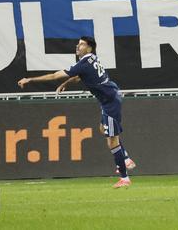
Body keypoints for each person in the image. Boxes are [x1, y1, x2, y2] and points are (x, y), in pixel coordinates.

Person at [18, 36, 135, 188]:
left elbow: (55, 75)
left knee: (112, 140)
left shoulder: (85, 63)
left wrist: (30, 80)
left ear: (90, 48)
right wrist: (66, 83)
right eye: (78, 44)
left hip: (110, 101)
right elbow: (79, 77)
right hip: (108, 97)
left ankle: (125, 177)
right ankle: (125, 158)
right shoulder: (90, 59)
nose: (77, 46)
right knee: (103, 129)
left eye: (81, 44)